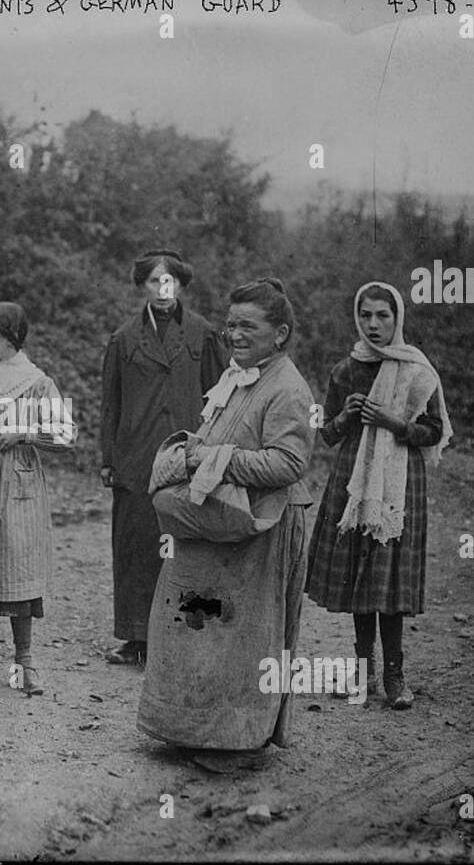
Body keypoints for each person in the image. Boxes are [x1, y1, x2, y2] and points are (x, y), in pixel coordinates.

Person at [137, 278, 315, 774]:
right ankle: (190, 729)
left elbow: (287, 464)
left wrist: (208, 459)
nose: (234, 334)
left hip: (262, 526)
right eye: (230, 323)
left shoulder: (287, 388)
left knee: (244, 637)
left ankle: (238, 743)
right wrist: (199, 453)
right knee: (199, 627)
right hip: (220, 522)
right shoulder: (240, 376)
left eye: (248, 326)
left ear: (279, 334)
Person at [305, 281, 452, 709]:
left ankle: (395, 674)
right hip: (354, 478)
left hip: (399, 480)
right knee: (359, 572)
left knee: (388, 575)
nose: (373, 324)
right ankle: (362, 671)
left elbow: (435, 431)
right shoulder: (346, 370)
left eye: (382, 316)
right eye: (366, 315)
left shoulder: (416, 369)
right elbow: (327, 434)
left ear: (397, 319)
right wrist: (347, 416)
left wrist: (394, 422)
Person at [100, 249, 226, 665]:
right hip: (137, 457)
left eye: (169, 280)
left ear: (181, 285)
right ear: (142, 286)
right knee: (137, 544)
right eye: (154, 280)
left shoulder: (203, 334)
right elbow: (110, 405)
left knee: (187, 545)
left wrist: (212, 451)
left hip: (187, 455)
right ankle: (137, 638)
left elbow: (218, 396)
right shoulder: (123, 339)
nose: (162, 288)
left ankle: (186, 633)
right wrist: (109, 458)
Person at [0, 302, 78, 696]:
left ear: (9, 337)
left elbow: (65, 435)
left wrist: (25, 433)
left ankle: (24, 659)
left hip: (20, 486)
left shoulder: (37, 382)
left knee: (19, 568)